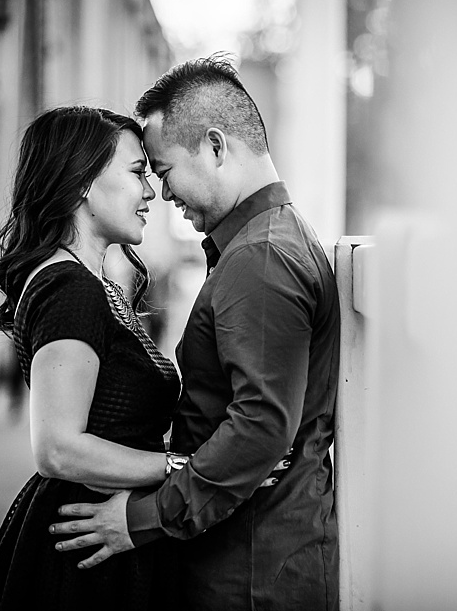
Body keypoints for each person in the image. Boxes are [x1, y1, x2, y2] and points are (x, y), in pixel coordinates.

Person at [52, 55, 341, 610]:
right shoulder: (267, 239)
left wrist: (140, 520)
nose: (160, 193)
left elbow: (260, 427)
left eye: (160, 171)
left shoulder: (261, 258)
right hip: (254, 556)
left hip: (251, 574)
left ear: (214, 147)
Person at [0, 106, 184, 610]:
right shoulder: (70, 289)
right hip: (86, 548)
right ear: (83, 181)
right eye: (136, 174)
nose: (151, 193)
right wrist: (183, 468)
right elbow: (58, 448)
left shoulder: (88, 284)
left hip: (98, 533)